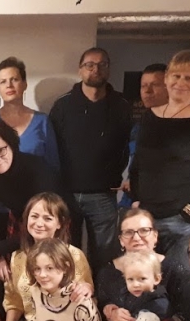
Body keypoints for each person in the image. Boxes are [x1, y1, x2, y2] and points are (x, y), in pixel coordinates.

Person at [129, 50, 190, 271]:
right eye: (176, 76)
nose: (180, 82)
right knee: (145, 279)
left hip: (185, 224)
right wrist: (136, 200)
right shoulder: (150, 116)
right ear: (166, 79)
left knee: (179, 279)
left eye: (188, 78)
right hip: (147, 219)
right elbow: (138, 164)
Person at [49, 47, 131, 272]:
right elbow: (52, 149)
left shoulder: (122, 106)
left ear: (109, 69)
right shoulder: (63, 105)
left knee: (105, 256)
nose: (96, 69)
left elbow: (129, 145)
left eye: (102, 64)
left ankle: (102, 294)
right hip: (67, 193)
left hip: (104, 194)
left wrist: (120, 175)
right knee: (66, 253)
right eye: (90, 65)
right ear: (80, 69)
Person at [3, 192, 93, 321]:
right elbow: (14, 301)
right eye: (34, 216)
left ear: (60, 223)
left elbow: (84, 297)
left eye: (47, 218)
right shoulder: (18, 258)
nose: (39, 223)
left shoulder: (74, 256)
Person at [0, 120, 61, 286]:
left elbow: (44, 224)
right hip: (18, 233)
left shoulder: (37, 169)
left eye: (1, 150)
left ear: (11, 144)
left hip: (49, 230)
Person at [95, 208, 190, 321]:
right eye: (128, 232)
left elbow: (185, 312)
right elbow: (101, 305)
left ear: (155, 235)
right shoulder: (107, 272)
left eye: (144, 230)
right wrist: (111, 313)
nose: (136, 237)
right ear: (121, 240)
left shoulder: (173, 269)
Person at [0, 57, 60, 171]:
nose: (9, 85)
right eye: (3, 81)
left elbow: (53, 166)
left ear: (24, 84)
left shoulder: (42, 121)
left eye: (14, 79)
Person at [120, 63, 168, 205]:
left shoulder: (184, 126)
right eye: (143, 86)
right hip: (134, 202)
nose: (147, 91)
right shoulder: (139, 126)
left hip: (167, 205)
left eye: (155, 85)